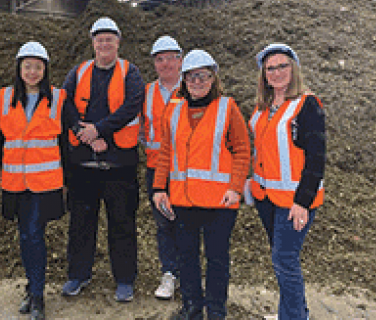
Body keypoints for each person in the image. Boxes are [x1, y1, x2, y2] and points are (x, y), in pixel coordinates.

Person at [152, 49, 250, 320]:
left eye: (203, 76)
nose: (197, 82)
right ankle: (192, 307)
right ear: (184, 80)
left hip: (220, 202)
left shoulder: (227, 108)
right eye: (192, 77)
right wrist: (160, 189)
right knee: (187, 257)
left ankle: (216, 310)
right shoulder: (174, 109)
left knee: (217, 260)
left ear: (213, 78)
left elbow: (242, 150)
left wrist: (236, 187)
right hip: (184, 201)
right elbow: (165, 152)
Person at [60, 16, 145, 303]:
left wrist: (100, 129)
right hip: (82, 163)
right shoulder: (79, 71)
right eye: (99, 39)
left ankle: (124, 279)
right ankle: (78, 274)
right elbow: (65, 103)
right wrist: (82, 132)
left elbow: (132, 106)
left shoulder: (130, 72)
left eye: (110, 38)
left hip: (119, 164)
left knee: (122, 222)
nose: (104, 43)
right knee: (81, 223)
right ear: (93, 43)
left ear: (118, 42)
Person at [248, 43, 326, 320]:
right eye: (271, 68)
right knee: (282, 260)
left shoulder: (307, 104)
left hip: (294, 201)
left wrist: (302, 202)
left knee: (285, 261)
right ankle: (293, 312)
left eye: (283, 65)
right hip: (266, 198)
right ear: (264, 74)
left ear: (293, 68)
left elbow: (317, 158)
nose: (277, 72)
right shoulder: (263, 106)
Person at [0, 41, 66, 320]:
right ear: (19, 68)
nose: (33, 72)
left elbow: (67, 140)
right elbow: (1, 139)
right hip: (15, 181)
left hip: (45, 181)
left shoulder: (58, 98)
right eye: (28, 66)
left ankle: (37, 296)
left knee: (34, 235)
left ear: (45, 70)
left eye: (38, 67)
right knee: (25, 236)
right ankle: (31, 288)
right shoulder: (4, 97)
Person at [142, 35, 183, 300]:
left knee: (188, 224)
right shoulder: (146, 92)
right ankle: (170, 273)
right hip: (157, 170)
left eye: (171, 58)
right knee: (164, 224)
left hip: (187, 171)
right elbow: (139, 129)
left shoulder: (193, 88)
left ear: (181, 60)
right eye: (160, 59)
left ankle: (187, 272)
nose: (166, 64)